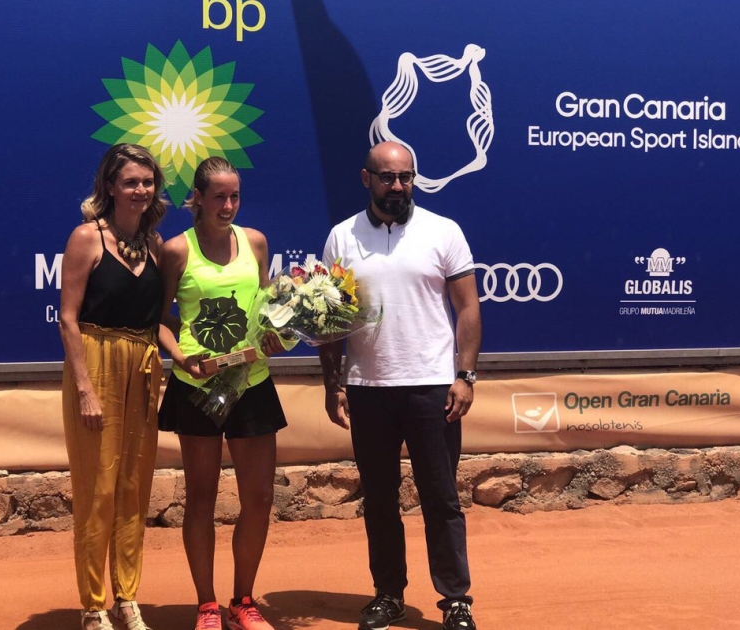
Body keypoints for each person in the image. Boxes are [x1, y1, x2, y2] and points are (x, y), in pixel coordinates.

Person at [318, 141, 483, 630]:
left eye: (406, 177)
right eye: (387, 177)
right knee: (380, 499)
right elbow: (328, 320)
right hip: (368, 388)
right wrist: (335, 383)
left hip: (433, 388)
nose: (398, 186)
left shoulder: (443, 231)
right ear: (366, 178)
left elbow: (468, 308)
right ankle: (388, 594)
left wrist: (465, 375)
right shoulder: (341, 238)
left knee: (441, 497)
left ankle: (456, 599)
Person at [158, 156, 288, 630]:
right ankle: (207, 606)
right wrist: (178, 355)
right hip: (197, 386)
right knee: (202, 499)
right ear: (197, 198)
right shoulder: (175, 250)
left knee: (257, 499)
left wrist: (276, 333)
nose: (228, 205)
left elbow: (267, 306)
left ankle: (244, 602)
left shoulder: (255, 242)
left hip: (251, 385)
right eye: (219, 197)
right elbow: (159, 318)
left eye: (235, 196)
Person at [60, 143, 173, 630]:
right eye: (130, 182)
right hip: (96, 365)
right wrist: (85, 386)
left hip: (143, 368)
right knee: (97, 490)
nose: (140, 190)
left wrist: (180, 355)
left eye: (147, 182)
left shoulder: (155, 245)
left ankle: (127, 598)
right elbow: (67, 319)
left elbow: (157, 322)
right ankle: (93, 605)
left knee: (133, 488)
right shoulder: (87, 237)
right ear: (110, 186)